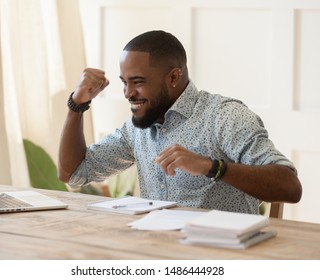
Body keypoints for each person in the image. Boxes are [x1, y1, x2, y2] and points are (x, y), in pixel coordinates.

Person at [58, 30, 302, 214]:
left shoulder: (225, 116)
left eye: (138, 82)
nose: (127, 93)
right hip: (158, 254)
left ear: (173, 77)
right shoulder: (136, 129)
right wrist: (77, 105)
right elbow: (73, 173)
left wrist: (211, 167)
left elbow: (289, 187)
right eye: (124, 82)